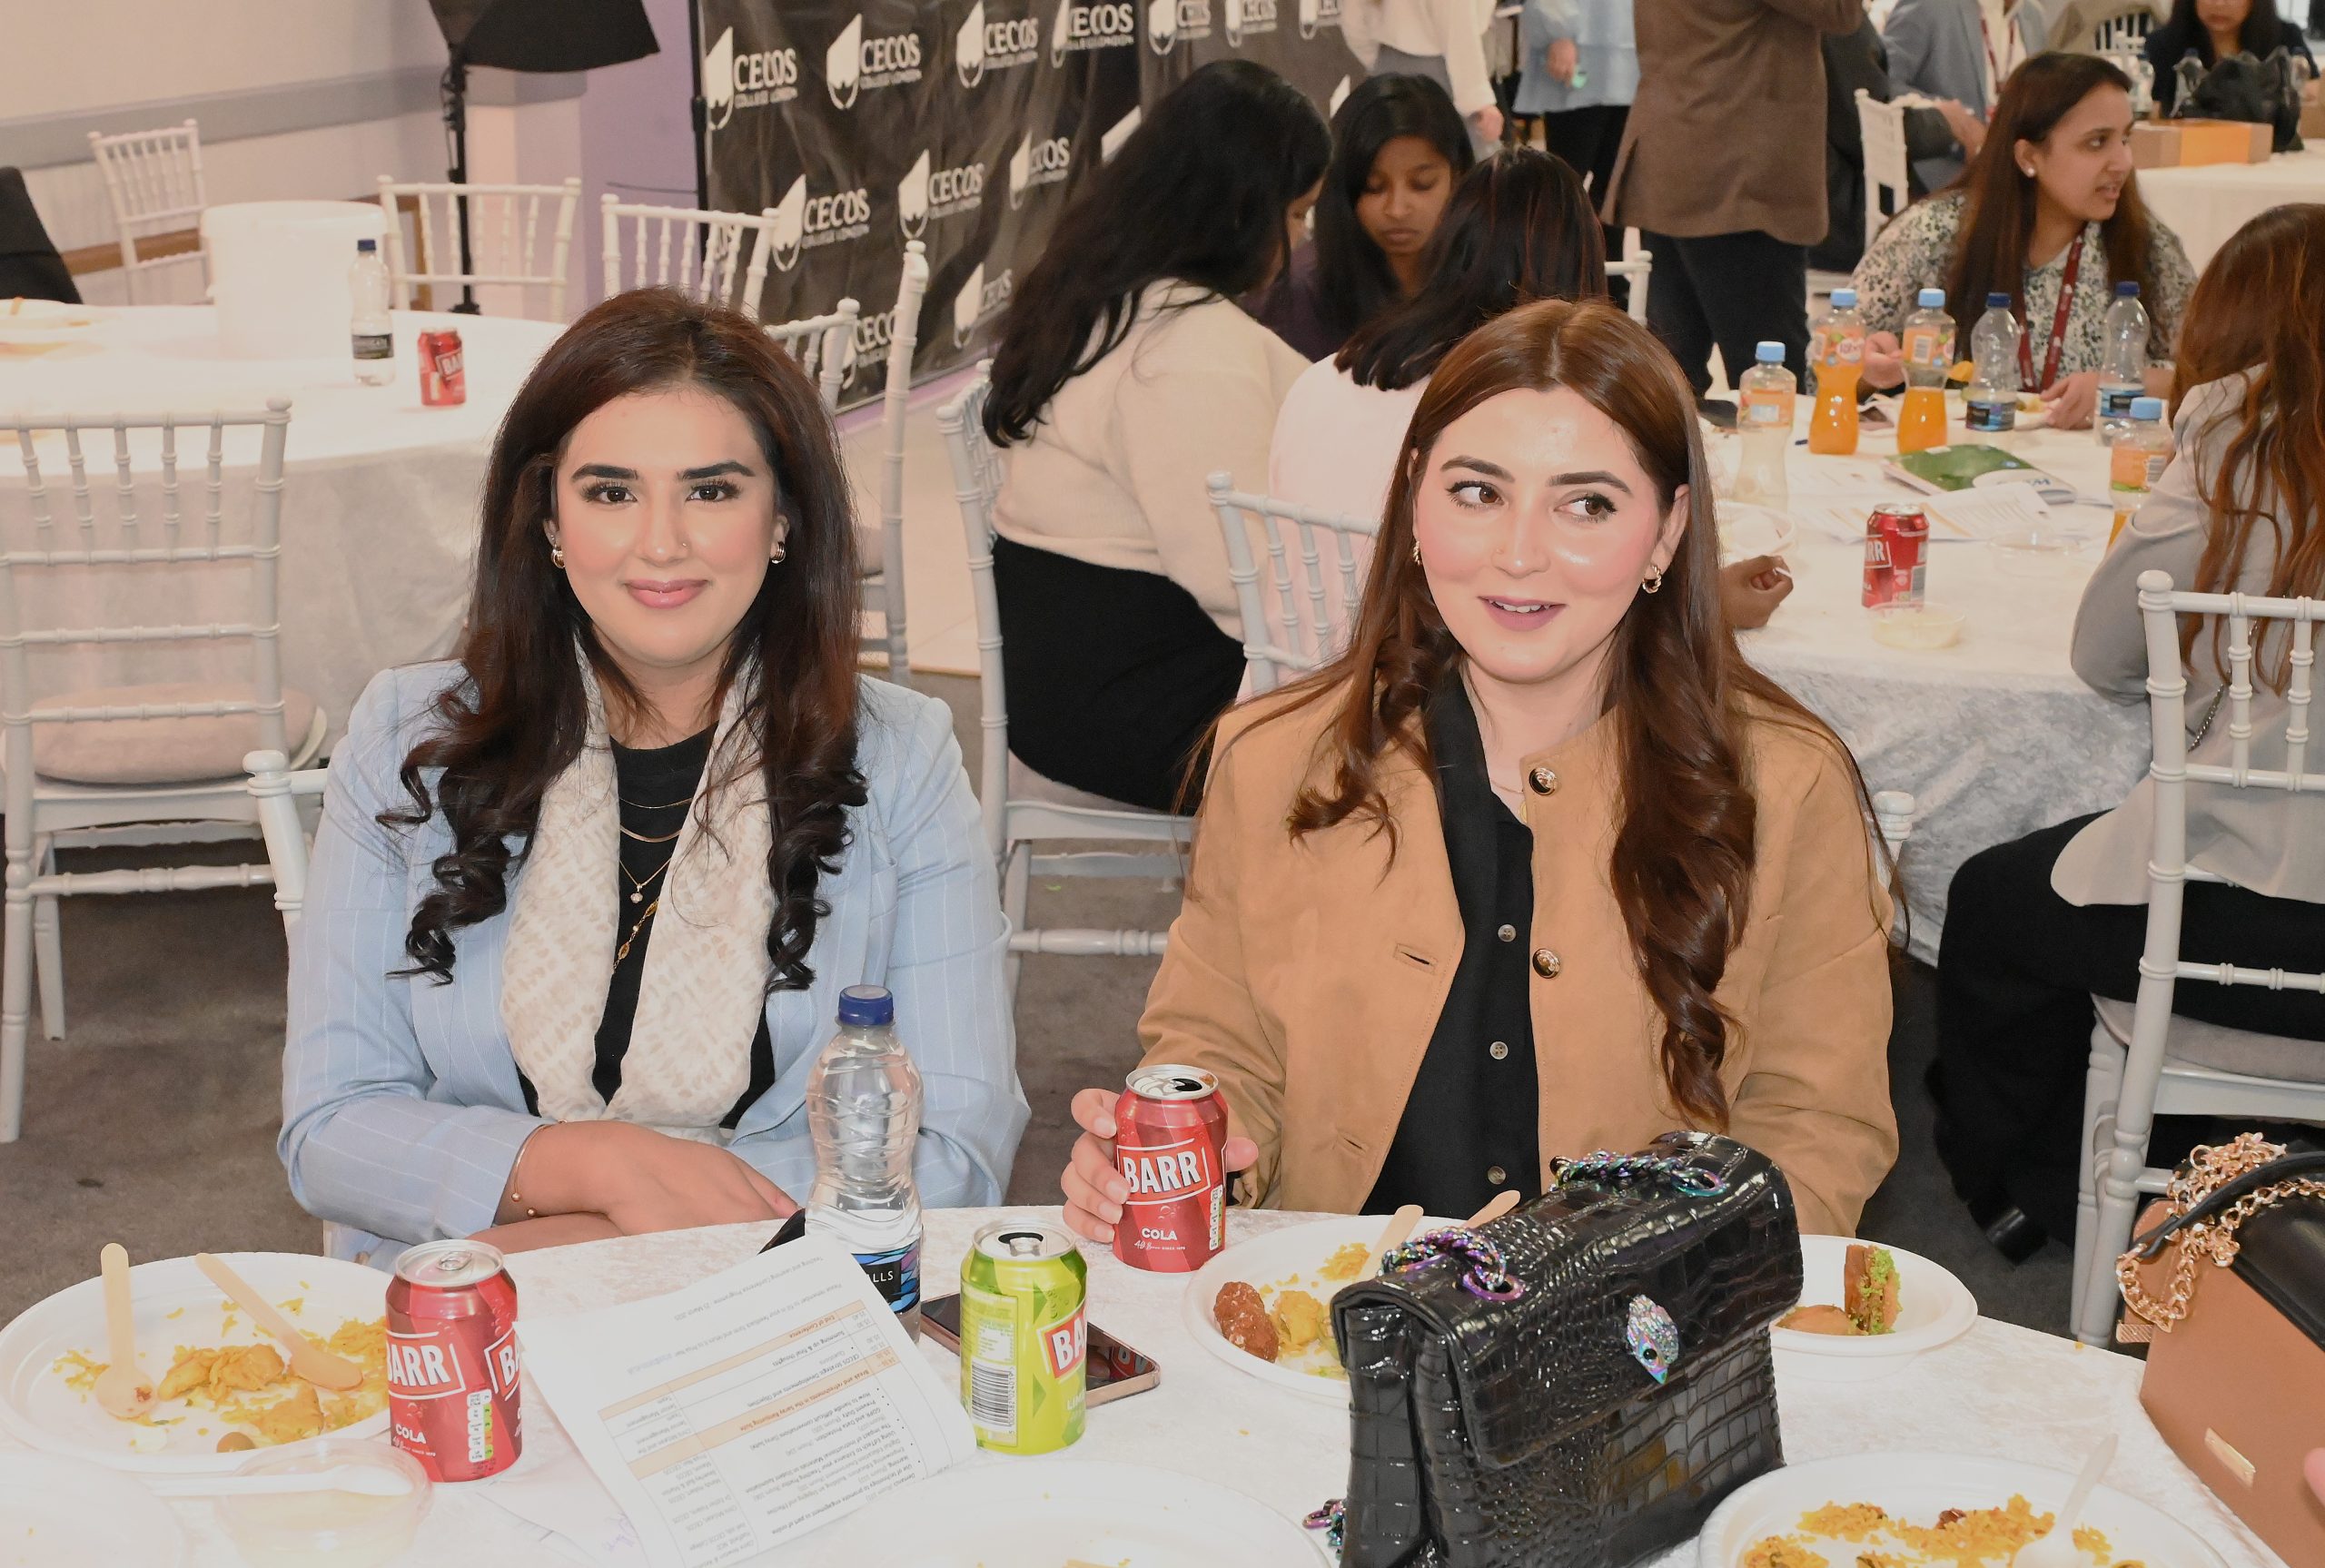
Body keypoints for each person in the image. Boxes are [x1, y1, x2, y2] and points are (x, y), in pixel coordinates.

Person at [1059, 298, 1899, 1238]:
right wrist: (1179, 1157)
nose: (1519, 553)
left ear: (1667, 532)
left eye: (1587, 504)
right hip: (1328, 1306)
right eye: (1477, 492)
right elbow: (1217, 1046)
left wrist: (1671, 1285)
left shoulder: (1785, 786)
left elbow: (1817, 1124)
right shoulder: (1275, 760)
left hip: (1644, 1319)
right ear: (1415, 501)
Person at [279, 289, 1028, 1263]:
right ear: (548, 520)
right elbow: (332, 1127)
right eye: (611, 492)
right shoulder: (406, 736)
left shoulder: (898, 756)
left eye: (711, 491)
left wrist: (594, 1243)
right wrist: (591, 1166)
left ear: (783, 518)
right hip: (472, 1307)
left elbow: (954, 1147)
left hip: (765, 1296)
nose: (662, 541)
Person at [1933, 204, 2325, 1257]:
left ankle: (2025, 1184)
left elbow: (2102, 655)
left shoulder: (2236, 459)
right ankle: (2208, 1148)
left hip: (2259, 913)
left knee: (1995, 898)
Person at [982, 61, 1331, 813]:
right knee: (1405, 715)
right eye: (1298, 215)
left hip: (1060, 679)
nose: (1301, 241)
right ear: (1244, 212)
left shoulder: (1101, 295)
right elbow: (1240, 582)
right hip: (1130, 703)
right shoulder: (1184, 345)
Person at [1269, 151, 1795, 631]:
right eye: (1480, 494)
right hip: (1424, 670)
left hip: (1290, 664)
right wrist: (1707, 605)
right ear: (1584, 263)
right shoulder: (1530, 410)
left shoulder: (1325, 375)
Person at [1852, 53, 2196, 430]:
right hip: (1953, 455)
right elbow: (1830, 362)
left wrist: (2122, 382)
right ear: (2029, 156)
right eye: (2097, 142)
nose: (2123, 162)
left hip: (2095, 461)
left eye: (2125, 138)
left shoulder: (2147, 247)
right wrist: (1869, 368)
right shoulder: (1933, 233)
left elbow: (2210, 375)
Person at [1602, 0, 1863, 399]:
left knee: (1672, 387)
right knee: (1771, 390)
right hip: (1735, 176)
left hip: (1677, 153)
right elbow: (1841, 11)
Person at [1252, 74, 1475, 362]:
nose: (1397, 209)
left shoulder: (1488, 273)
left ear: (1459, 178)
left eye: (1422, 184)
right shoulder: (1299, 296)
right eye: (1374, 187)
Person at [1815, 14, 1961, 272]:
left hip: (1822, 205)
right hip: (1843, 215)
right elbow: (1865, 125)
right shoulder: (1840, 19)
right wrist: (1948, 124)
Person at [1514, 0, 1637, 283]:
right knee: (1565, 181)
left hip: (1632, 52)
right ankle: (1553, 276)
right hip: (1580, 49)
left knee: (1616, 181)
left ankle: (1608, 277)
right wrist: (1558, 32)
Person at [1883, 0, 2053, 189]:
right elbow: (1883, 83)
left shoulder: (2033, 16)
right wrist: (1945, 115)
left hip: (2013, 181)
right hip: (1940, 180)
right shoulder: (1930, 5)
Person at [1343, 0, 1507, 156]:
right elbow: (1458, 27)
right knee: (1465, 165)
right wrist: (1478, 100)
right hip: (1446, 76)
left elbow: (1353, 21)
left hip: (1388, 68)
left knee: (1395, 160)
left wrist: (1382, 63)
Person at [2145, 0, 2315, 116]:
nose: (2219, 3)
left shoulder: (2284, 36)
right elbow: (2150, 107)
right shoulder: (2163, 43)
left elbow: (2312, 88)